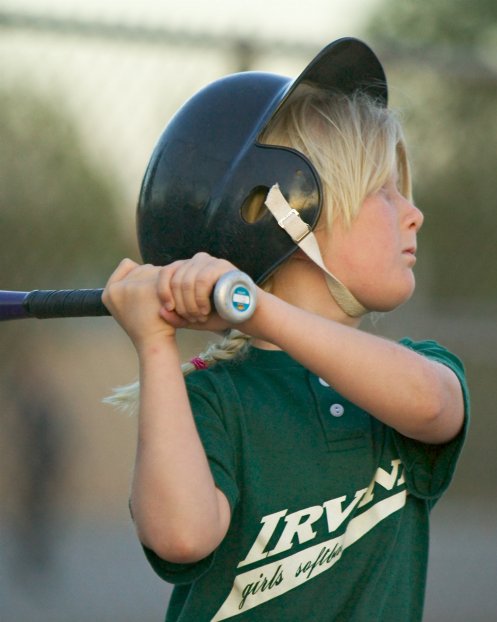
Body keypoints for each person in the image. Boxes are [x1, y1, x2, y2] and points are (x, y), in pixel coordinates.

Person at [103, 38, 469, 621]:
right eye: (382, 191)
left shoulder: (410, 376)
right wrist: (153, 344)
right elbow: (181, 536)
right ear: (288, 212)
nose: (412, 212)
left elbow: (434, 406)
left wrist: (258, 307)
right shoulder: (212, 396)